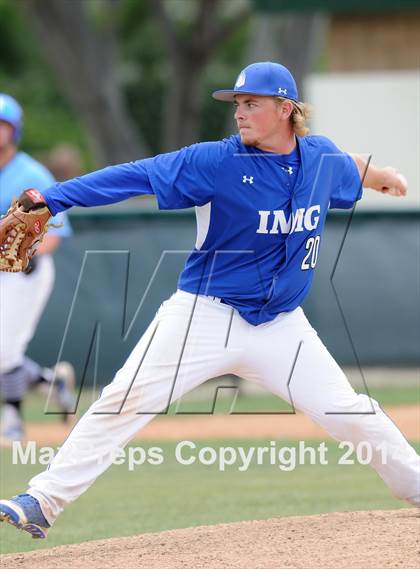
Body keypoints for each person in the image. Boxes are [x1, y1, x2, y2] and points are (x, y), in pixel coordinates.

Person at [0, 62, 418, 539]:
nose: (239, 112)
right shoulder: (216, 162)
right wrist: (53, 199)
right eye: (236, 103)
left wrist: (380, 174)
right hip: (203, 314)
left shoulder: (319, 159)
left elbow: (348, 163)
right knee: (123, 401)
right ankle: (42, 501)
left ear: (286, 110)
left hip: (281, 326)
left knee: (351, 412)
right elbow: (134, 175)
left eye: (251, 103)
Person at [0, 93, 75, 446]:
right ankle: (51, 382)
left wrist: (26, 253)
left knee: (3, 352)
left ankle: (13, 417)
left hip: (24, 272)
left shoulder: (30, 174)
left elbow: (57, 234)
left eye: (2, 125)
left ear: (14, 131)